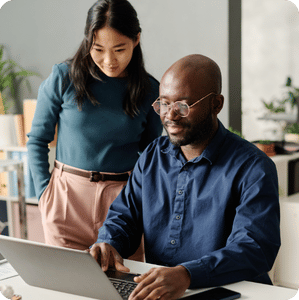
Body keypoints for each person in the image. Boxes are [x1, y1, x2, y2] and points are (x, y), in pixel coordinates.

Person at [90, 54, 281, 300]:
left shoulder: (254, 167)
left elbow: (253, 249)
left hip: (231, 293)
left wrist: (188, 274)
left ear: (216, 104)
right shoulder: (152, 156)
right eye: (164, 104)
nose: (170, 115)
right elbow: (124, 216)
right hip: (161, 293)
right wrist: (109, 244)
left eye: (182, 105)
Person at [27, 0, 162, 254]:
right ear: (88, 41)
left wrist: (145, 204)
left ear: (136, 40)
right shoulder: (63, 77)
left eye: (119, 49)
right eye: (98, 48)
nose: (109, 60)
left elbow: (150, 158)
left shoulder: (151, 91)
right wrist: (45, 195)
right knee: (67, 289)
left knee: (122, 287)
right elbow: (37, 140)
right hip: (67, 201)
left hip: (123, 207)